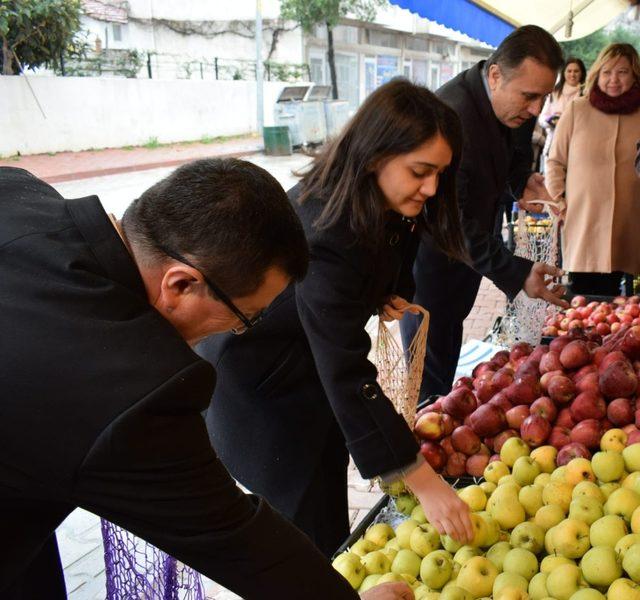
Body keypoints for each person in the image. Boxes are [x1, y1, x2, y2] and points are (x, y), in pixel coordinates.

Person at [0, 159, 413, 600]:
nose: (236, 332)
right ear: (180, 285)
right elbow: (235, 536)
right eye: (245, 319)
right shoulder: (132, 391)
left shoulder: (16, 189)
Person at [197, 80, 475, 558]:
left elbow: (392, 259)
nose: (431, 188)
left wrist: (390, 294)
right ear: (373, 157)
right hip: (264, 391)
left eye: (439, 174)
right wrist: (420, 477)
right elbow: (345, 368)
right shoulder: (324, 230)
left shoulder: (381, 200)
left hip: (306, 370)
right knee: (306, 535)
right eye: (420, 171)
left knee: (326, 513)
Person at [400, 25, 568, 399]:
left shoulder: (513, 106)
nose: (536, 109)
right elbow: (449, 219)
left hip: (468, 261)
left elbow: (515, 155)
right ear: (495, 75)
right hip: (433, 267)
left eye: (542, 98)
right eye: (529, 97)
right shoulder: (450, 117)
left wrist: (521, 180)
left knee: (445, 361)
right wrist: (516, 271)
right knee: (428, 380)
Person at [545, 43, 640, 295]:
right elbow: (555, 161)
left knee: (618, 304)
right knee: (581, 297)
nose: (613, 80)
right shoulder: (578, 108)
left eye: (622, 72)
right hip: (583, 219)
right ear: (597, 73)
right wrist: (559, 202)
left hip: (627, 221)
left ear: (634, 76)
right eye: (607, 72)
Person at [539, 57, 586, 172]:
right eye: (569, 71)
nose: (572, 74)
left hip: (575, 148)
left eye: (576, 71)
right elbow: (541, 119)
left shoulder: (586, 95)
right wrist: (551, 120)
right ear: (564, 72)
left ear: (582, 73)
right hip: (552, 145)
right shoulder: (554, 92)